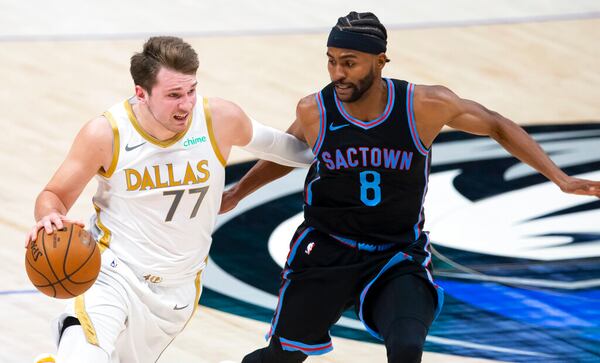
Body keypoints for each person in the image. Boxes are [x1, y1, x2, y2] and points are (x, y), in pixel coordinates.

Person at [219, 11, 600, 363]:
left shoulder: (425, 106)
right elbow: (286, 154)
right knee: (278, 359)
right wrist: (236, 193)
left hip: (397, 254)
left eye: (349, 62)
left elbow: (497, 124)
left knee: (406, 348)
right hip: (326, 251)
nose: (338, 72)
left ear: (380, 61)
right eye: (331, 60)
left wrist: (560, 178)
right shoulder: (315, 110)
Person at [26, 36, 313, 363]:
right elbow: (53, 196)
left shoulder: (218, 119)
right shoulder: (107, 133)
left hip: (176, 290)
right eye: (174, 95)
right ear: (141, 94)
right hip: (112, 273)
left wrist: (345, 135)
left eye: (191, 90)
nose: (186, 104)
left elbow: (293, 151)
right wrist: (49, 216)